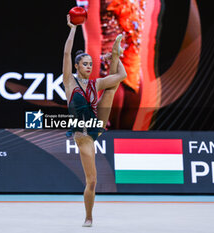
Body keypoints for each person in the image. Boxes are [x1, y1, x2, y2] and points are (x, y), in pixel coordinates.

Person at [63, 14, 127, 227]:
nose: (89, 66)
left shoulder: (95, 83)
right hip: (83, 136)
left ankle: (115, 56)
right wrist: (73, 28)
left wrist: (115, 61)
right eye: (85, 64)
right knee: (92, 181)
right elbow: (66, 52)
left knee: (112, 87)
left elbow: (122, 76)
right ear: (77, 65)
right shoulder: (70, 83)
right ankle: (88, 216)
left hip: (96, 125)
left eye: (91, 64)